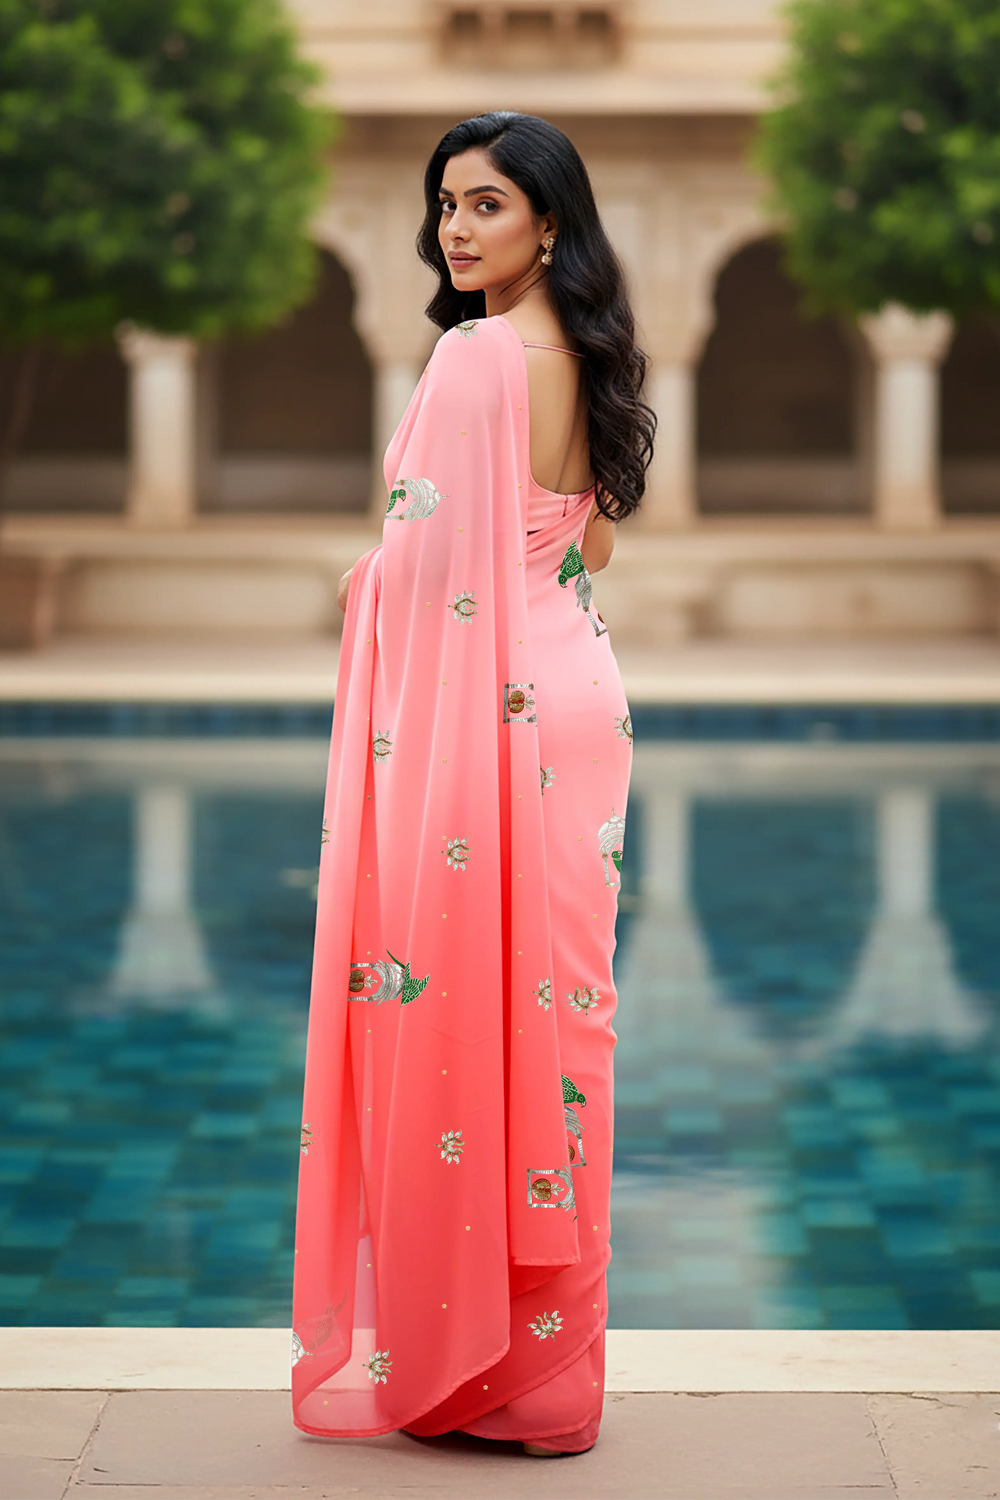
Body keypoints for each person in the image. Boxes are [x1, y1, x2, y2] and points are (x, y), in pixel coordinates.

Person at [292, 111, 654, 1457]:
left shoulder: (474, 356)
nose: (457, 227)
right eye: (448, 203)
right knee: (561, 1027)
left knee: (460, 1009)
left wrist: (373, 583)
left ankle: (467, 1373)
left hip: (487, 723)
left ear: (549, 223)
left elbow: (431, 565)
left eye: (488, 205)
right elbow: (588, 552)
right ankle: (553, 1383)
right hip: (577, 698)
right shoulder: (593, 355)